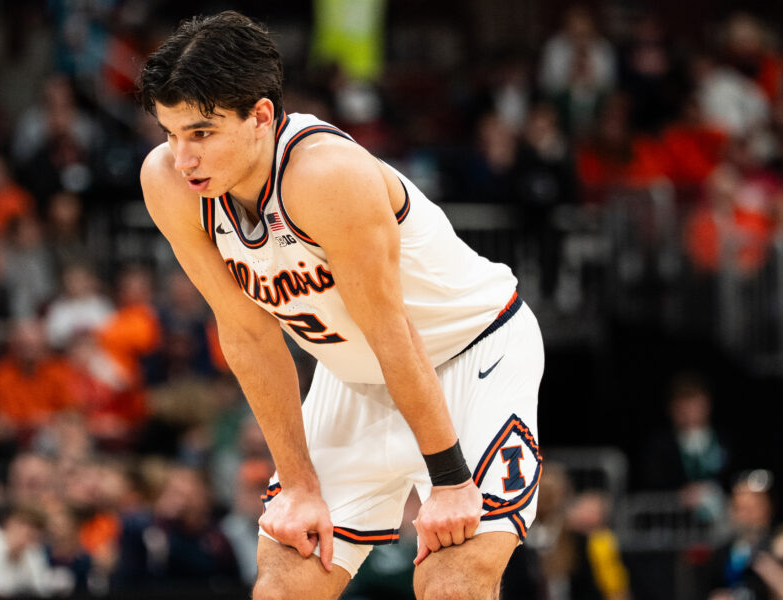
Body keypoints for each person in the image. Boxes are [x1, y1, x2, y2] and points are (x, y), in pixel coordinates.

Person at [136, 11, 545, 600]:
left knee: (450, 584)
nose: (183, 157)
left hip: (469, 356)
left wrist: (451, 482)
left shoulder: (325, 174)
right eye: (171, 134)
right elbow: (247, 335)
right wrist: (298, 484)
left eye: (201, 133)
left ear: (261, 117)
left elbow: (392, 332)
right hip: (354, 374)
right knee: (284, 586)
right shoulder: (169, 183)